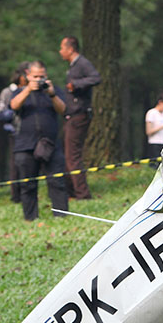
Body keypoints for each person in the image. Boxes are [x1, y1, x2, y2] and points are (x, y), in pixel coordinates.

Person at [10, 60, 70, 222]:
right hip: (25, 145)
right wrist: (28, 90)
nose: (39, 79)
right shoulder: (20, 91)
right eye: (35, 76)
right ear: (27, 76)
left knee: (57, 181)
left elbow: (63, 110)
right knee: (28, 184)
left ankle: (61, 215)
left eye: (42, 76)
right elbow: (14, 106)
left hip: (50, 143)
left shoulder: (53, 91)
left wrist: (51, 94)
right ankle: (30, 218)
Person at [58, 35, 100, 200]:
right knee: (68, 154)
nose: (60, 51)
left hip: (79, 114)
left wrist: (76, 85)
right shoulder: (73, 66)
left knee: (72, 156)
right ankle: (72, 191)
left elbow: (96, 78)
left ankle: (82, 194)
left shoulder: (82, 63)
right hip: (71, 115)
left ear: (70, 49)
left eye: (62, 48)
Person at [0, 63, 27, 204]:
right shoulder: (7, 92)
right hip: (15, 132)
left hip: (31, 132)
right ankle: (16, 195)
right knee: (15, 165)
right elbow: (1, 113)